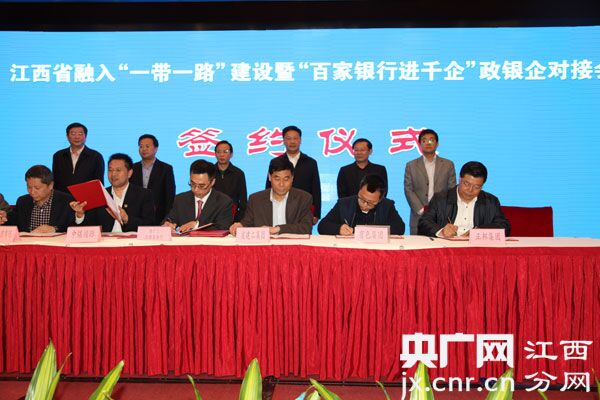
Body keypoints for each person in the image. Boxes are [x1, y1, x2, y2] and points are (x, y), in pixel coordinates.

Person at [418, 161, 511, 238]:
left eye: (477, 187)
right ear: (459, 179)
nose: (470, 190)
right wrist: (441, 231)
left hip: (476, 248)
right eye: (466, 184)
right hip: (446, 247)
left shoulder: (490, 201)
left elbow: (504, 226)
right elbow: (424, 222)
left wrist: (479, 232)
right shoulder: (440, 198)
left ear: (482, 185)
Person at [70, 153, 154, 232]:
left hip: (132, 241)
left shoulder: (144, 195)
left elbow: (150, 225)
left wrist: (127, 219)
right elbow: (90, 225)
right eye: (110, 170)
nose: (113, 174)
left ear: (129, 173)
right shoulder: (99, 194)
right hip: (105, 241)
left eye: (118, 170)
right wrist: (80, 214)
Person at [231, 158, 312, 235]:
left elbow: (306, 227)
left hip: (293, 244)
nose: (281, 184)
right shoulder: (255, 199)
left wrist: (278, 229)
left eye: (286, 179)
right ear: (270, 177)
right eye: (277, 179)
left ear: (292, 178)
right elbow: (247, 223)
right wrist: (240, 226)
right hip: (265, 244)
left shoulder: (303, 198)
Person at [404, 128, 456, 235]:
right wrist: (421, 209)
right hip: (418, 216)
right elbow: (408, 189)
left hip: (441, 216)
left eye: (431, 140)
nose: (428, 143)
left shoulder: (448, 164)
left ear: (437, 144)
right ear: (419, 144)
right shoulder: (411, 165)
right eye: (424, 140)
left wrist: (442, 210)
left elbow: (451, 189)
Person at [266, 125, 321, 223]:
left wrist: (316, 213)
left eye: (295, 138)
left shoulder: (311, 162)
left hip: (303, 208)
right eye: (288, 138)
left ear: (300, 140)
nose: (292, 142)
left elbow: (316, 189)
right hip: (279, 207)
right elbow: (269, 186)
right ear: (283, 141)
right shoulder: (275, 161)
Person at [318, 174, 405, 235]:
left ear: (380, 200)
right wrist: (338, 229)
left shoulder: (387, 205)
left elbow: (400, 228)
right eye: (362, 199)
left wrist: (374, 231)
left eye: (370, 203)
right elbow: (322, 226)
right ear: (359, 190)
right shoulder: (344, 204)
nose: (364, 205)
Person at [163, 159, 233, 233]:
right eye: (192, 184)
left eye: (201, 186)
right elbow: (170, 219)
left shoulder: (223, 202)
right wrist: (168, 224)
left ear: (212, 182)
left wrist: (197, 225)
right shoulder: (179, 199)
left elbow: (223, 227)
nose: (195, 189)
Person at [0, 165, 74, 233]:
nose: (32, 192)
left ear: (50, 185)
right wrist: (4, 217)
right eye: (29, 187)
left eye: (37, 188)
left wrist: (54, 229)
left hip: (55, 243)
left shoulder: (66, 201)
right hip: (28, 242)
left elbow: (73, 225)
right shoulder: (22, 201)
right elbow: (14, 222)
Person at [130, 134, 176, 224]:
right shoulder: (132, 168)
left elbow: (170, 196)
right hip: (136, 217)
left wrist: (167, 218)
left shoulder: (166, 169)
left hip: (158, 216)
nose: (144, 149)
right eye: (141, 146)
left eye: (147, 146)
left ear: (156, 148)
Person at [52, 122, 105, 193]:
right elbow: (55, 180)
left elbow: (99, 182)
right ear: (67, 136)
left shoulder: (96, 156)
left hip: (86, 197)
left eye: (80, 134)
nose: (77, 137)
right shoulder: (58, 156)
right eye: (73, 134)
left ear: (85, 136)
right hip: (63, 197)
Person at [213, 140, 247, 222]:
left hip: (233, 216)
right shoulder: (210, 172)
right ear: (215, 154)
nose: (221, 155)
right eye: (218, 152)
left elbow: (243, 200)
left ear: (231, 154)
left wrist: (238, 219)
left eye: (225, 151)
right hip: (212, 216)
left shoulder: (238, 173)